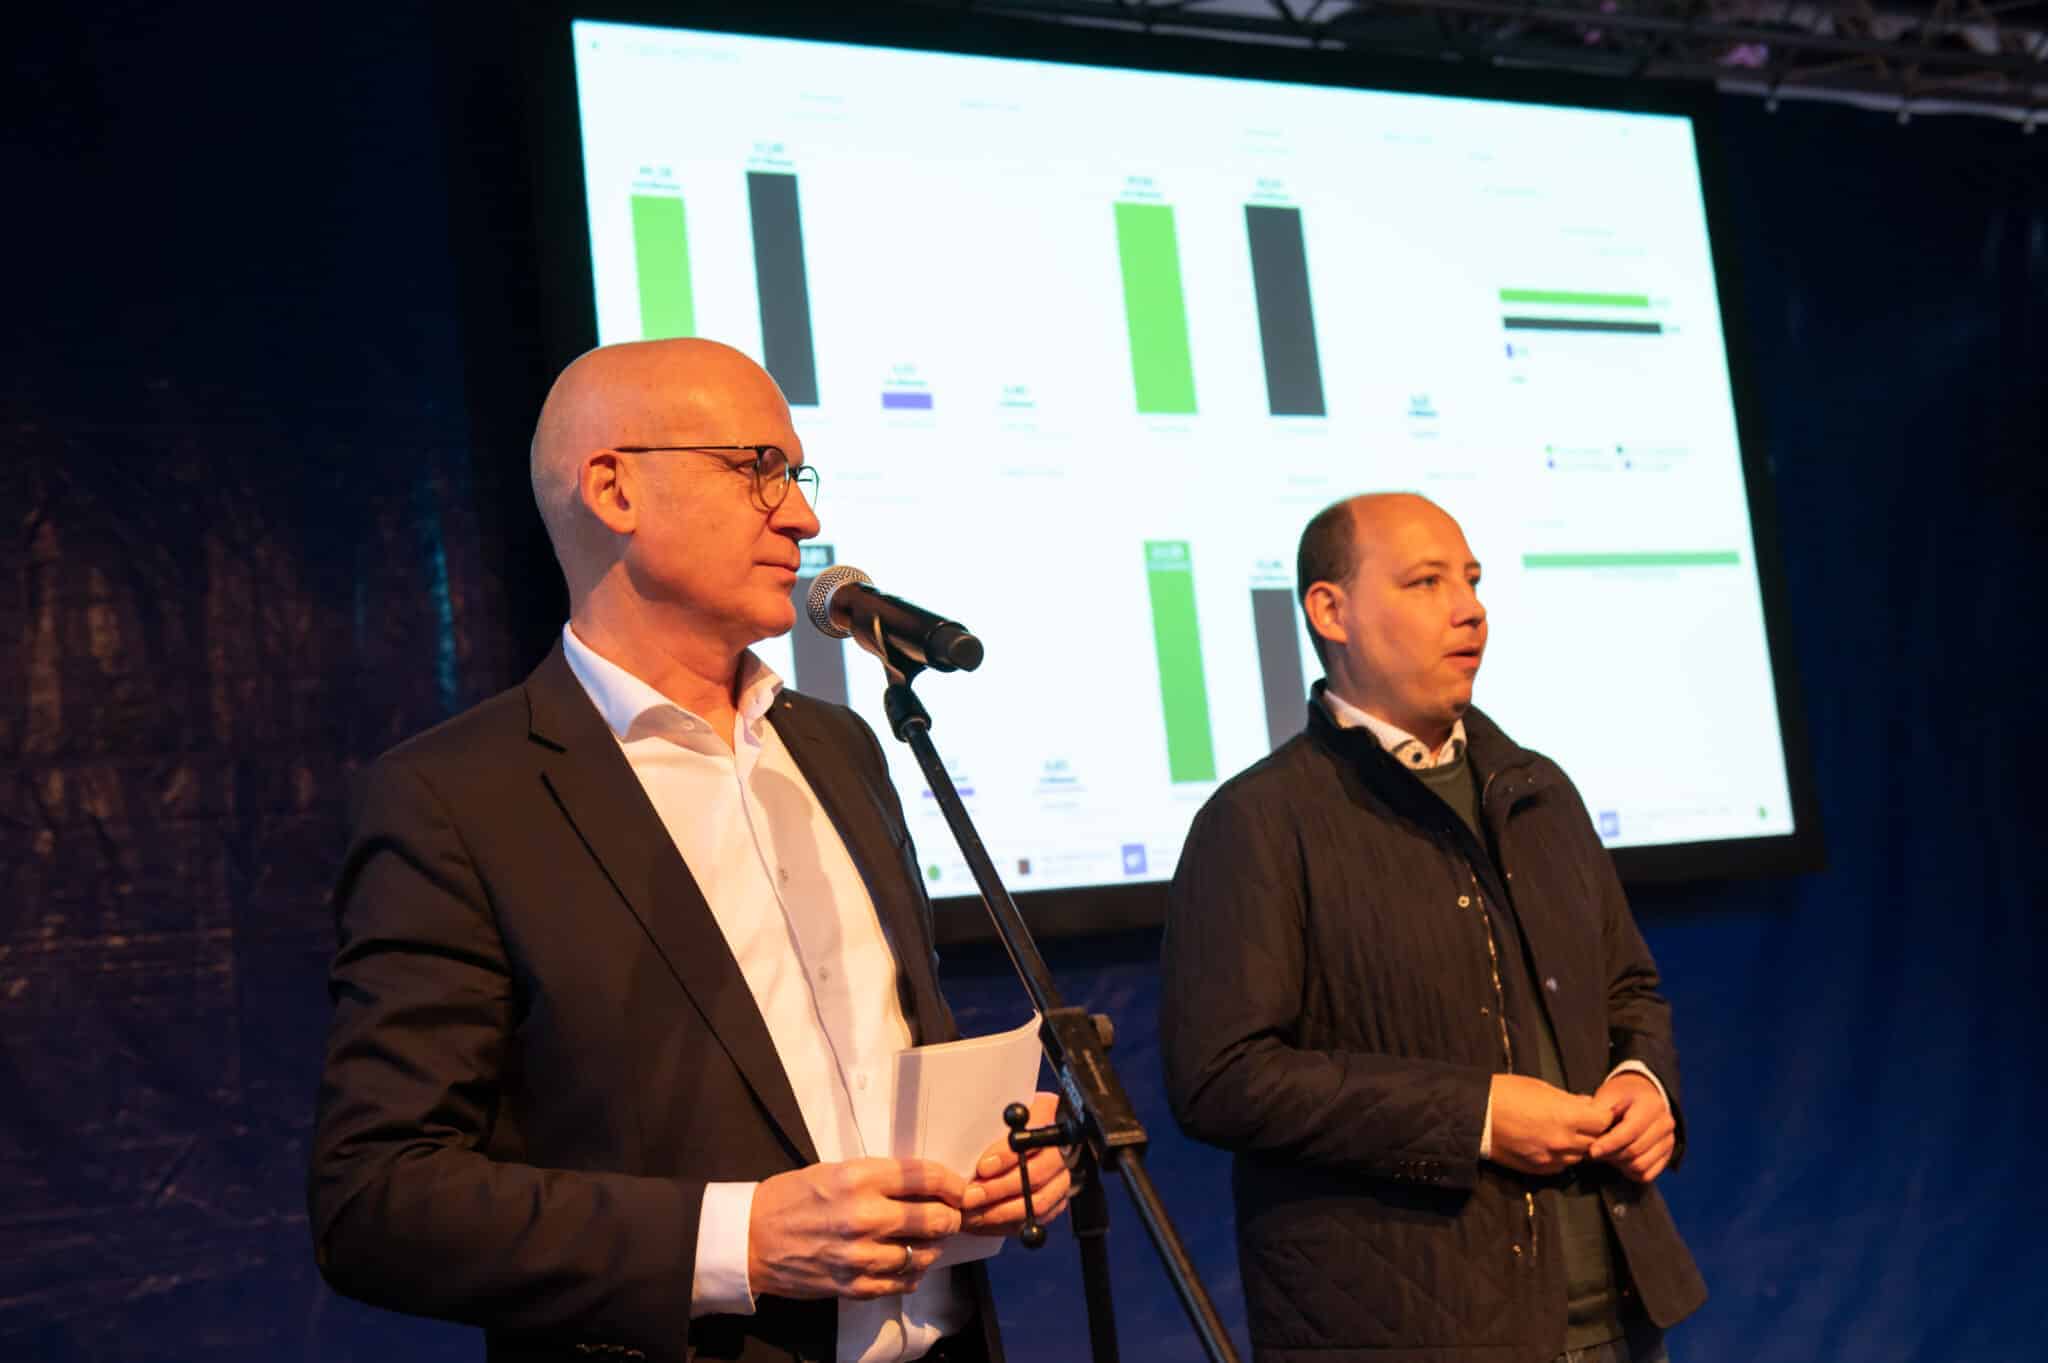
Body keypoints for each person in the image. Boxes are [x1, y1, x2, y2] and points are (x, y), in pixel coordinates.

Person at [309, 338, 1070, 1363]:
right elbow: (376, 1199)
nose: (800, 517)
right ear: (613, 489)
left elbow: (882, 1054)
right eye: (758, 468)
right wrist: (737, 1240)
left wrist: (991, 1159)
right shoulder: (456, 798)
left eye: (796, 476)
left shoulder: (839, 747)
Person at [1160, 493, 1706, 1363]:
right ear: (1330, 611)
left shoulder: (1537, 789)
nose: (1470, 609)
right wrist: (1476, 1114)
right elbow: (1223, 1077)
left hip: (1618, 1319)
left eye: (1473, 581)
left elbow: (1628, 989)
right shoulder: (1258, 820)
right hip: (1413, 1331)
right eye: (1425, 582)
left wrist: (1647, 1084)